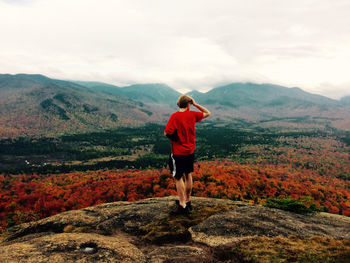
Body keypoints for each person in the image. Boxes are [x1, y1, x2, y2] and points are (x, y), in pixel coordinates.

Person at [164, 95, 211, 215]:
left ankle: (182, 204)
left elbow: (167, 132)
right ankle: (188, 200)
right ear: (188, 104)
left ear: (179, 104)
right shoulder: (193, 115)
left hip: (178, 152)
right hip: (189, 151)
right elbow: (207, 113)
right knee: (188, 174)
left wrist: (175, 139)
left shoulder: (175, 116)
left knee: (178, 177)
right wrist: (196, 104)